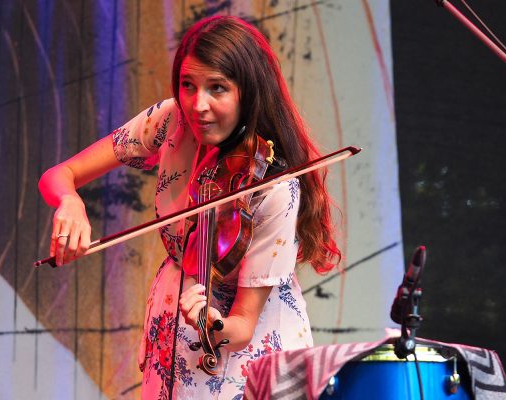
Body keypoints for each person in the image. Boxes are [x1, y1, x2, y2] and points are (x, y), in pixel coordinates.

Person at [38, 15, 341, 399]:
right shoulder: (170, 120)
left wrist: (211, 324)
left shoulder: (275, 189)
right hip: (175, 319)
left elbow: (244, 325)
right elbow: (59, 174)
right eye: (188, 85)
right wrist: (70, 200)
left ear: (248, 92)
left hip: (248, 348)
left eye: (218, 88)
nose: (198, 105)